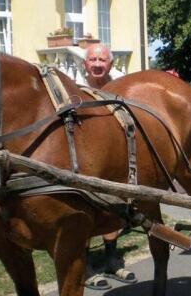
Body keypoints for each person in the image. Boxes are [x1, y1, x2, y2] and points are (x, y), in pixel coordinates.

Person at [83, 43, 137, 288]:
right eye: (92, 59)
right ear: (85, 63)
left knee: (115, 208)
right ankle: (84, 267)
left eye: (101, 60)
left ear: (111, 64)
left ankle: (112, 260)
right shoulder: (75, 89)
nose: (97, 64)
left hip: (114, 159)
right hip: (84, 160)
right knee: (83, 209)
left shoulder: (121, 89)